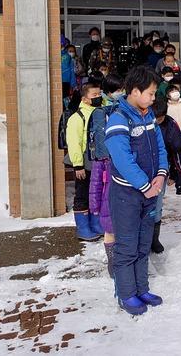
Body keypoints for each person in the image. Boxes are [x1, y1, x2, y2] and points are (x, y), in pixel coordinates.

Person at [105, 65, 168, 315]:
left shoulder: (148, 115)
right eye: (150, 93)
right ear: (134, 91)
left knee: (143, 245)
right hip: (127, 195)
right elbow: (123, 159)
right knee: (127, 247)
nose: (153, 99)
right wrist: (144, 185)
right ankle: (126, 293)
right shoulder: (118, 119)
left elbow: (160, 148)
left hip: (150, 192)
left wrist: (160, 175)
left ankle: (141, 288)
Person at [88, 74, 124, 275]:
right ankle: (113, 261)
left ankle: (120, 260)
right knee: (110, 229)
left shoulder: (124, 110)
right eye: (118, 90)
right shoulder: (100, 114)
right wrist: (94, 205)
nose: (121, 93)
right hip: (108, 188)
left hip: (120, 184)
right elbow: (95, 182)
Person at [66, 81, 104, 241]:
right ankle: (83, 228)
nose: (98, 97)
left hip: (98, 162)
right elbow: (74, 143)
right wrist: (78, 165)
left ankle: (95, 224)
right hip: (84, 163)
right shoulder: (77, 118)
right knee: (82, 194)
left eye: (99, 94)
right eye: (94, 95)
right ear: (84, 99)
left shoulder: (100, 113)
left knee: (96, 193)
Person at [152, 98, 181, 253]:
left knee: (157, 205)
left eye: (160, 118)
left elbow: (177, 151)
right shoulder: (141, 122)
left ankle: (154, 239)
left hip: (161, 171)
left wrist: (175, 175)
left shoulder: (170, 125)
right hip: (143, 171)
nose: (157, 121)